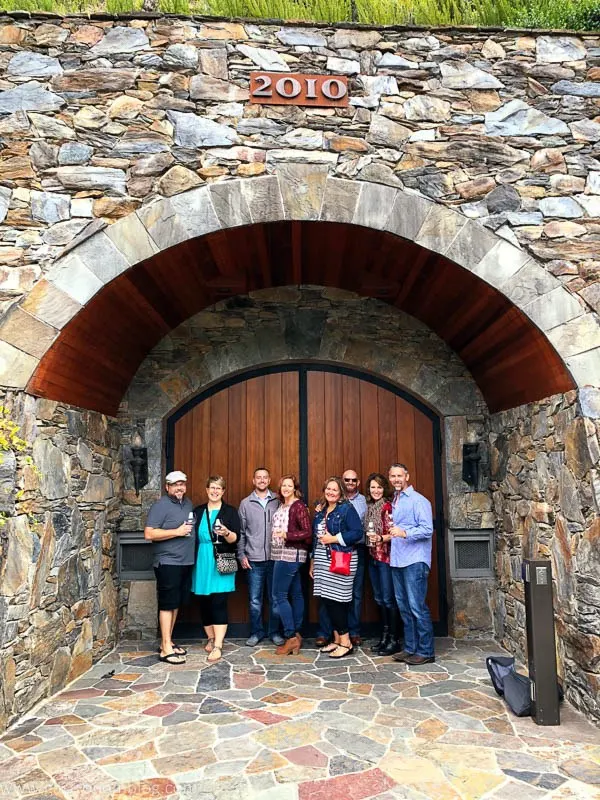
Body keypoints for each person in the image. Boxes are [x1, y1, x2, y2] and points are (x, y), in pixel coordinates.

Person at [144, 470, 195, 665]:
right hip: (168, 563)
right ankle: (165, 648)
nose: (179, 487)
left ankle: (169, 641)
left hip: (185, 562)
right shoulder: (160, 506)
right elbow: (149, 534)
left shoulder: (187, 504)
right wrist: (177, 532)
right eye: (175, 484)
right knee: (167, 604)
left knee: (175, 604)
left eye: (182, 483)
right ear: (167, 487)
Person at [388, 463, 435, 665]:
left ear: (407, 476)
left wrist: (404, 532)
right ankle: (410, 648)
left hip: (415, 560)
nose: (396, 479)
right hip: (398, 559)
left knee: (417, 607)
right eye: (393, 476)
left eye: (400, 475)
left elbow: (427, 529)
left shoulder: (419, 501)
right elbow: (396, 531)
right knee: (404, 608)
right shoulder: (395, 500)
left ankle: (426, 651)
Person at [311, 476, 363, 659]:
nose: (331, 492)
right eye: (328, 489)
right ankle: (336, 640)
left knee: (337, 601)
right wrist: (312, 562)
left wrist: (334, 538)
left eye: (334, 489)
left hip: (342, 558)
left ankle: (346, 642)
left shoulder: (346, 509)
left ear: (340, 492)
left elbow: (357, 533)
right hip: (322, 560)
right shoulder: (321, 511)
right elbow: (315, 539)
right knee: (327, 601)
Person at [192, 475, 241, 663]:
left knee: (218, 602)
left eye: (218, 488)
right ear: (206, 490)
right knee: (204, 601)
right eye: (212, 487)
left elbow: (235, 538)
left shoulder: (230, 512)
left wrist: (226, 532)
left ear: (223, 491)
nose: (214, 491)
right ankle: (211, 638)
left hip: (221, 560)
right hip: (201, 561)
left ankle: (219, 645)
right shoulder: (197, 511)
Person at [238, 468, 284, 647]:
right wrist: (242, 555)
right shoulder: (246, 503)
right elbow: (241, 532)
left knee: (275, 599)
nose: (262, 480)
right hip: (254, 559)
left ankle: (274, 632)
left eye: (265, 477)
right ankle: (256, 632)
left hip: (275, 558)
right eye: (259, 477)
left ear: (269, 480)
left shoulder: (278, 501)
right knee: (255, 600)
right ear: (253, 480)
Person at [271, 475, 312, 656]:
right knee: (295, 593)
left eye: (289, 486)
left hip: (290, 555)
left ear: (295, 488)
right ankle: (296, 633)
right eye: (283, 486)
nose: (286, 488)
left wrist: (287, 535)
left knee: (279, 595)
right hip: (281, 553)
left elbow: (307, 532)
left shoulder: (298, 506)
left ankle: (290, 636)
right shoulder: (283, 505)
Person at [364, 473, 401, 655]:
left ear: (384, 488)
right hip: (372, 557)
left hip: (386, 558)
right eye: (372, 487)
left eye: (379, 487)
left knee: (388, 599)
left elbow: (393, 532)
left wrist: (380, 538)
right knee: (379, 599)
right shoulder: (370, 507)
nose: (376, 490)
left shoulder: (387, 507)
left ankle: (394, 639)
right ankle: (385, 636)